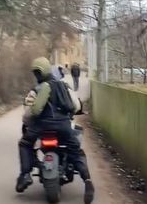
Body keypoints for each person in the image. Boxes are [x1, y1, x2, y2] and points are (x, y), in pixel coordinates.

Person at [16, 57, 94, 204]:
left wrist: (27, 121)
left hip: (41, 127)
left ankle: (25, 175)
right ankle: (87, 180)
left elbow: (32, 111)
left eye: (37, 73)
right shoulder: (64, 86)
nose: (37, 75)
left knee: (25, 144)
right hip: (63, 126)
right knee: (75, 150)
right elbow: (76, 106)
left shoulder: (38, 89)